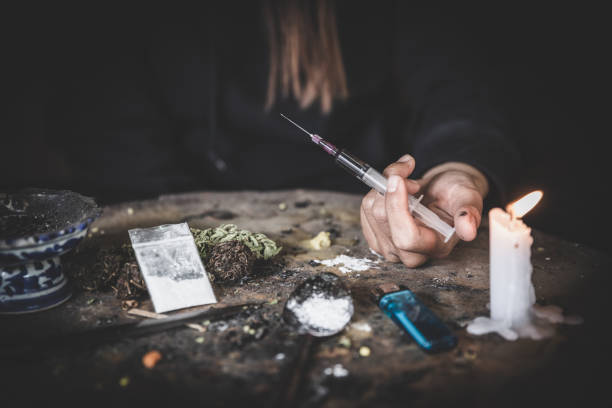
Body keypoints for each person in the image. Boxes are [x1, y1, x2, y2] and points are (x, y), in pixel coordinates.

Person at [47, 1, 519, 267]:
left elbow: (460, 93)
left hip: (357, 224)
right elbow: (110, 136)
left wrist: (457, 169)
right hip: (178, 211)